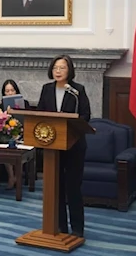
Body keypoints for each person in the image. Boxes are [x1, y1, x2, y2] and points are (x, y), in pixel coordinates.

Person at [37, 55, 91, 238]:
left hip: (74, 146)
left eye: (62, 68)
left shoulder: (77, 91)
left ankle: (77, 228)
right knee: (56, 187)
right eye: (55, 68)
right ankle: (60, 226)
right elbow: (41, 115)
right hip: (53, 146)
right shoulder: (46, 89)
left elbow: (85, 115)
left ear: (69, 70)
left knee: (73, 187)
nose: (58, 71)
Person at [0, 79, 30, 189]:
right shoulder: (0, 105)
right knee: (3, 144)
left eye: (12, 90)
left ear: (16, 91)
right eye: (7, 91)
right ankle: (12, 176)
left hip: (22, 133)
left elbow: (28, 121)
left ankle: (17, 176)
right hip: (6, 134)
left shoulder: (25, 103)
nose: (10, 93)